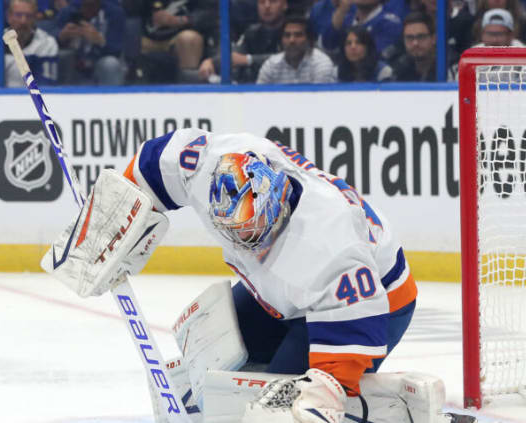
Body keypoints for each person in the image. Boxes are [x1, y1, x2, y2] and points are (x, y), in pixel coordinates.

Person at [121, 127, 417, 420]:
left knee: (279, 408)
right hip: (285, 295)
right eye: (236, 232)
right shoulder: (207, 166)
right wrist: (122, 215)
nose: (244, 244)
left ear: (276, 201)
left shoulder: (330, 241)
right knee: (205, 354)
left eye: (252, 231)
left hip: (374, 308)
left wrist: (325, 390)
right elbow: (159, 160)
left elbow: (358, 321)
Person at [198, 0, 287, 83]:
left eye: (273, 1)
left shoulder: (293, 32)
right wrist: (211, 62)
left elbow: (289, 58)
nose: (267, 6)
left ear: (285, 5)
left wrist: (248, 60)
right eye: (262, 2)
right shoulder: (252, 32)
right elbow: (236, 54)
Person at [53, 0, 126, 85]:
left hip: (99, 62)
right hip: (73, 63)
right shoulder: (68, 11)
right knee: (60, 58)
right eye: (86, 6)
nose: (89, 8)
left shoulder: (114, 12)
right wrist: (61, 37)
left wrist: (100, 41)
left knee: (110, 64)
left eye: (92, 6)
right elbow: (50, 39)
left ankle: (113, 96)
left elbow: (117, 49)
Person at [256, 15, 335, 84]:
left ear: (309, 40)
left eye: (298, 35)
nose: (292, 40)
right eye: (287, 35)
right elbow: (258, 96)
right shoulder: (271, 65)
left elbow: (321, 98)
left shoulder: (321, 63)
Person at [319, 0, 403, 57]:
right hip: (344, 72)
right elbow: (328, 45)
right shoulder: (346, 19)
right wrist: (341, 10)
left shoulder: (390, 23)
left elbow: (376, 54)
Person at [5, 0, 58, 87]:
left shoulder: (47, 43)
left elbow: (46, 85)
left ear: (35, 18)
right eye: (18, 15)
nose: (23, 21)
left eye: (28, 16)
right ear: (9, 16)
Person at [391, 11, 436, 81]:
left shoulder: (449, 67)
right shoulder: (399, 69)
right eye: (409, 38)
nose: (415, 43)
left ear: (434, 38)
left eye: (421, 37)